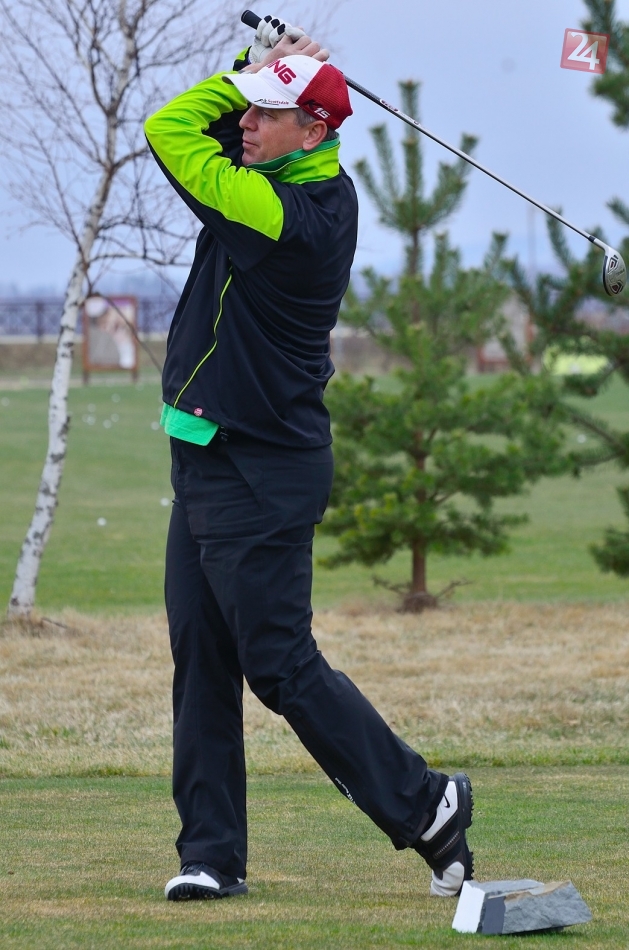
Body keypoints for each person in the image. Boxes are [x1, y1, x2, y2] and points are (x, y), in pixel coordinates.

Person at [144, 14, 473, 903]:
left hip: (262, 472)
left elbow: (171, 129)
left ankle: (427, 804)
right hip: (209, 452)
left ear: (314, 131)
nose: (246, 124)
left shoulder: (287, 218)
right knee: (201, 657)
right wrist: (263, 69)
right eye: (247, 110)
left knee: (279, 664)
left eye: (266, 113)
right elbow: (228, 132)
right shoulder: (288, 173)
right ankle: (210, 855)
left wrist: (252, 74)